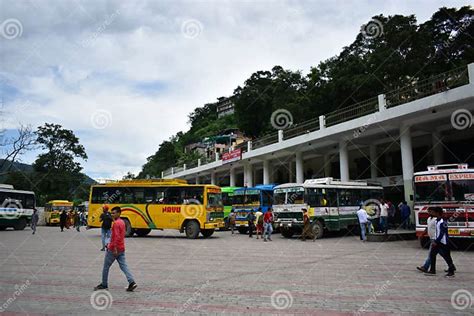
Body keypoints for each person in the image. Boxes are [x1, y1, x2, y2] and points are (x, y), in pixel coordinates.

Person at [94, 206, 137, 291]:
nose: (112, 215)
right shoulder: (122, 222)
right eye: (112, 213)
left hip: (114, 249)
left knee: (106, 266)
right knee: (124, 266)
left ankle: (104, 284)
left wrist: (114, 248)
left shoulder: (116, 223)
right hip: (122, 248)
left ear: (119, 213)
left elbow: (116, 237)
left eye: (114, 213)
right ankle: (131, 281)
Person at [425, 207, 456, 277]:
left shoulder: (443, 222)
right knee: (432, 255)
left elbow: (442, 233)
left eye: (433, 212)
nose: (431, 213)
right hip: (437, 241)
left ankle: (451, 271)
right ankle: (432, 270)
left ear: (437, 213)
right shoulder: (436, 221)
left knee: (447, 257)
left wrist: (436, 241)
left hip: (444, 242)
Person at [417, 207, 437, 273]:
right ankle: (451, 266)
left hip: (436, 239)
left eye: (431, 211)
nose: (429, 213)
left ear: (434, 212)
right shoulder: (429, 219)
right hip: (431, 239)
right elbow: (428, 227)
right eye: (428, 211)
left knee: (431, 254)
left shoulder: (437, 220)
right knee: (444, 254)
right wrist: (423, 234)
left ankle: (425, 267)